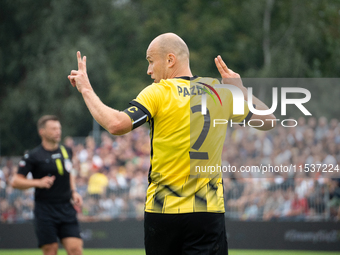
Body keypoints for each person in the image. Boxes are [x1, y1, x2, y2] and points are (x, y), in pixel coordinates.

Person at [68, 33, 276, 255]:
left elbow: (116, 124)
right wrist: (241, 90)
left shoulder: (158, 92)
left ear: (169, 60)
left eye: (150, 61)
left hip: (163, 211)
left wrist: (86, 89)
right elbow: (269, 121)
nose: (148, 70)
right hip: (207, 212)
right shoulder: (218, 92)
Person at [11, 115, 83, 255]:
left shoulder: (66, 151)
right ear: (42, 131)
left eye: (59, 128)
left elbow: (70, 173)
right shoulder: (33, 156)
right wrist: (38, 182)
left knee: (75, 250)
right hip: (45, 210)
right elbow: (15, 181)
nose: (58, 131)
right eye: (53, 128)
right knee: (51, 251)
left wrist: (74, 191)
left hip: (66, 208)